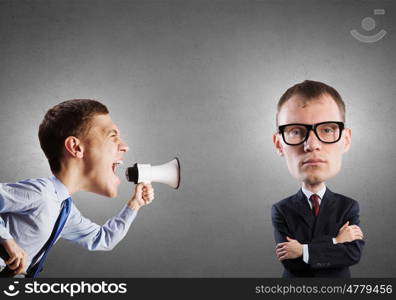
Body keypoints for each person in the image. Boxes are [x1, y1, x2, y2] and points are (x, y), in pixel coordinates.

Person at [0, 99, 154, 277]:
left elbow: (102, 239)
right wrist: (7, 240)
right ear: (76, 147)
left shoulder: (65, 211)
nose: (125, 146)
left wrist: (134, 205)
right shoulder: (41, 193)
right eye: (112, 136)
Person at [271, 80, 365, 277]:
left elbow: (353, 254)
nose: (312, 145)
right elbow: (291, 263)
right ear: (279, 145)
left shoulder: (348, 206)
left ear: (346, 140)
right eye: (296, 131)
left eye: (328, 129)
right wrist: (336, 242)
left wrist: (303, 250)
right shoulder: (282, 209)